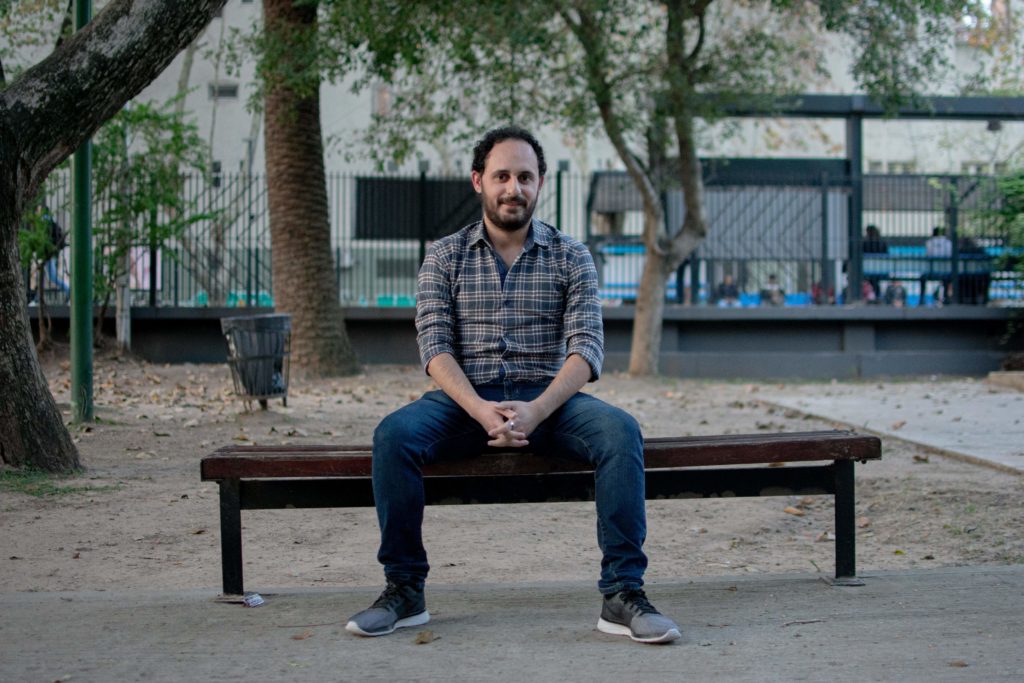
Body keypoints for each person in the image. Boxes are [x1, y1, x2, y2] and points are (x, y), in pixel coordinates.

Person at [345, 126, 680, 644]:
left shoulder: (572, 256)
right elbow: (434, 347)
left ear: (540, 183)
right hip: (463, 400)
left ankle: (622, 595)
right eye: (501, 176)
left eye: (525, 177)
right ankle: (404, 590)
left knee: (620, 433)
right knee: (394, 436)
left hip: (551, 400)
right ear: (479, 180)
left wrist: (537, 410)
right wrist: (481, 410)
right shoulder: (444, 255)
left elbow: (586, 349)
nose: (513, 188)